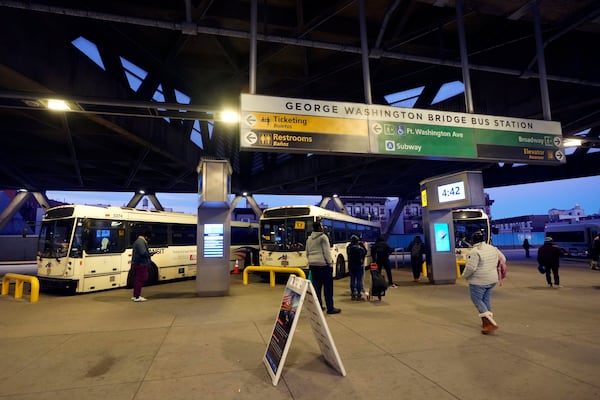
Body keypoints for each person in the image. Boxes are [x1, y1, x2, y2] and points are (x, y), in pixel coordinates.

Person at [461, 231, 506, 334]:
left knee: (477, 300)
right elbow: (503, 259)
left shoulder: (475, 251)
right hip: (492, 279)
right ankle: (486, 322)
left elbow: (471, 268)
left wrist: (464, 275)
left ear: (473, 240)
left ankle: (491, 323)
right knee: (486, 300)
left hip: (479, 280)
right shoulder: (493, 248)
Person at [306, 221, 340, 314]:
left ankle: (319, 306)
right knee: (328, 288)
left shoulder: (309, 239)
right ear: (319, 228)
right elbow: (327, 252)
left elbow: (307, 252)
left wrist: (311, 261)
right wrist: (330, 264)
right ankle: (330, 308)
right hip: (323, 266)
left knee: (317, 287)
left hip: (313, 265)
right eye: (321, 226)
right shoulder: (323, 237)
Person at [131, 230, 153, 302]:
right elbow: (143, 253)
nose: (149, 240)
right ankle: (137, 296)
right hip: (141, 264)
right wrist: (150, 254)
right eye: (148, 238)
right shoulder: (141, 242)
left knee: (137, 280)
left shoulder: (137, 241)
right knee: (140, 280)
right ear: (146, 236)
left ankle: (135, 296)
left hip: (137, 263)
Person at [347, 234, 367, 300]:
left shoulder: (349, 248)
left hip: (351, 266)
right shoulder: (360, 248)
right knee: (359, 280)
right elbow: (365, 253)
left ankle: (353, 293)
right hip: (359, 266)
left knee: (352, 280)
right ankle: (359, 293)